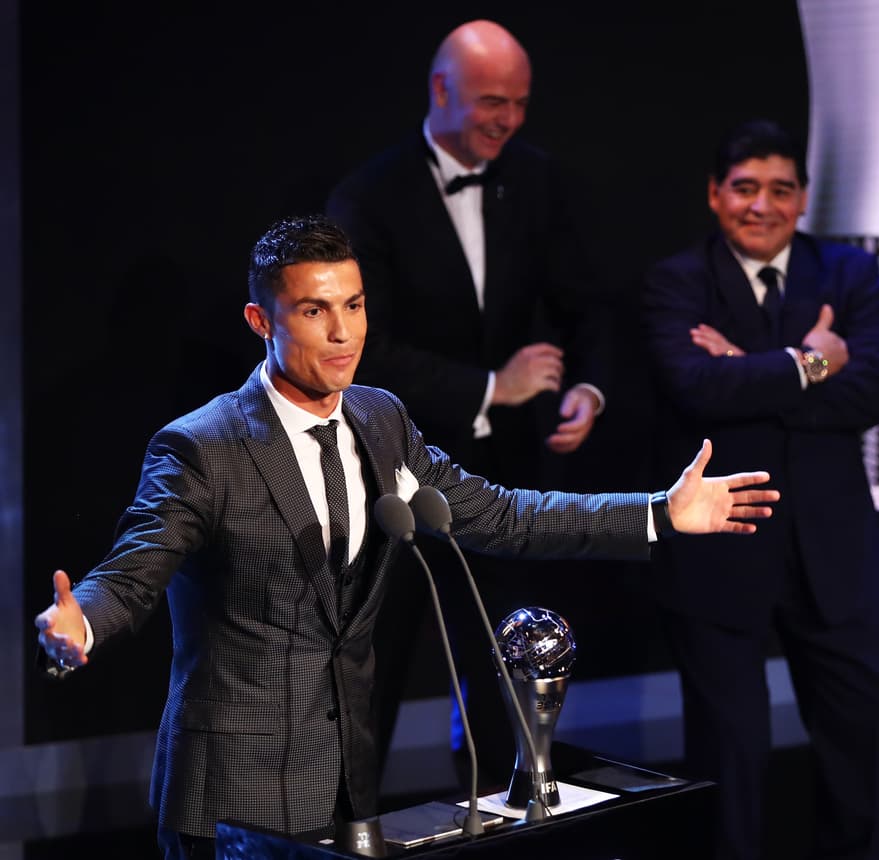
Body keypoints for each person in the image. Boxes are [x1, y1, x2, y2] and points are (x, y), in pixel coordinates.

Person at [32, 215, 778, 860]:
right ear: (262, 322)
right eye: (316, 311)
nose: (344, 332)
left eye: (354, 305)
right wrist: (83, 621)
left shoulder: (381, 419)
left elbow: (502, 513)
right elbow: (134, 570)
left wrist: (655, 511)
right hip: (232, 802)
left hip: (348, 787)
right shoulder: (203, 446)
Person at [324, 19, 612, 784]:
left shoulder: (537, 179)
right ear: (440, 90)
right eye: (491, 101)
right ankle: (352, 833)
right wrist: (492, 387)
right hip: (383, 478)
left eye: (519, 103)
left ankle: (500, 823)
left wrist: (585, 386)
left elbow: (591, 303)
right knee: (368, 680)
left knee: (501, 671)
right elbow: (357, 349)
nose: (507, 119)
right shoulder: (370, 196)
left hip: (497, 479)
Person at [641, 120, 879, 860]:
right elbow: (694, 389)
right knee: (730, 767)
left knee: (863, 754)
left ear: (804, 198)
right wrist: (808, 363)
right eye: (745, 189)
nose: (763, 206)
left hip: (835, 551)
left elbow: (878, 388)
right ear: (716, 196)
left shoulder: (848, 272)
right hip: (721, 555)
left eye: (780, 190)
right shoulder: (678, 280)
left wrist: (746, 369)